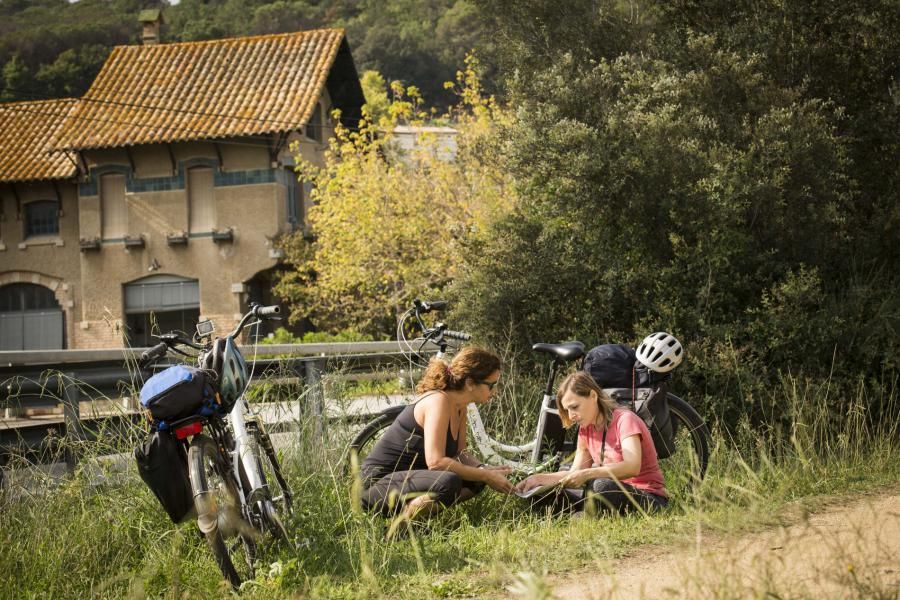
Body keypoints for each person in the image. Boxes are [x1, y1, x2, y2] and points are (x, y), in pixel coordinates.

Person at [358, 347, 514, 531]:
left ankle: (416, 522)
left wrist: (484, 469)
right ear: (470, 383)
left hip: (408, 481)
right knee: (448, 482)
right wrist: (485, 475)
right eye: (491, 385)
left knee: (476, 480)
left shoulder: (460, 406)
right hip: (376, 486)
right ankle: (397, 531)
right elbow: (436, 463)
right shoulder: (438, 402)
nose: (495, 391)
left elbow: (460, 454)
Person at [514, 371, 668, 514]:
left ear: (593, 396)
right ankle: (583, 513)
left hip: (646, 496)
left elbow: (632, 467)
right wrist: (538, 479)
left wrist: (588, 474)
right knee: (542, 494)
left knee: (600, 485)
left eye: (574, 407)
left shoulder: (625, 419)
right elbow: (575, 472)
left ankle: (582, 514)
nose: (571, 416)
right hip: (605, 494)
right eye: (567, 410)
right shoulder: (585, 429)